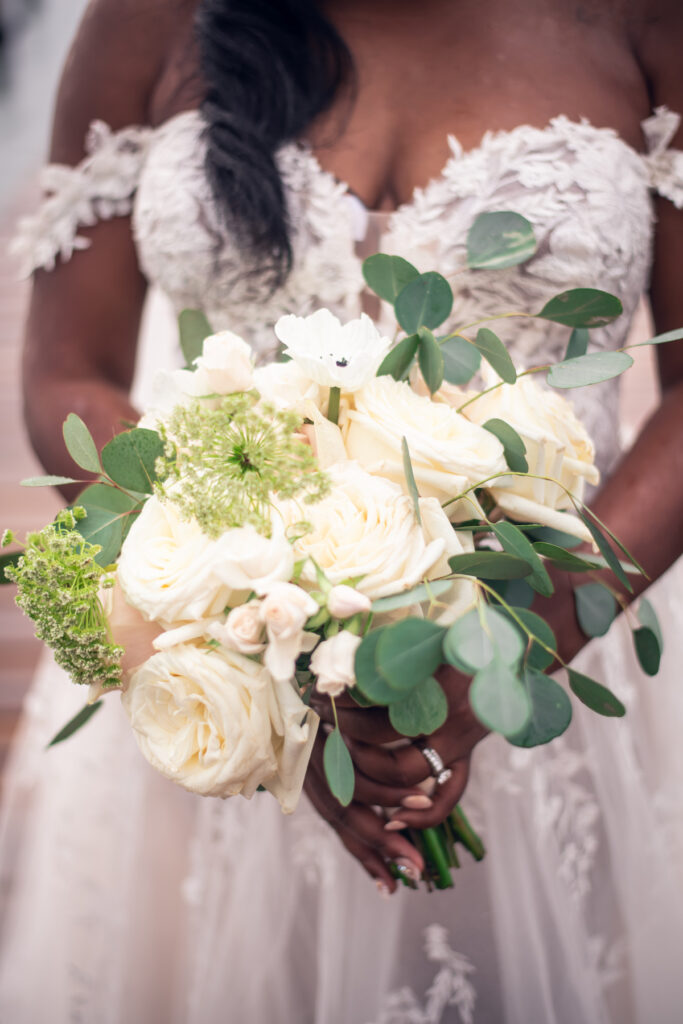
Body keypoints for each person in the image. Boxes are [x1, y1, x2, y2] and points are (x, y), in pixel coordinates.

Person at [1, 0, 683, 1020]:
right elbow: (70, 372)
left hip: (560, 649)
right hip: (216, 673)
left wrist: (501, 659)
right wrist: (270, 673)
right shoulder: (146, 18)